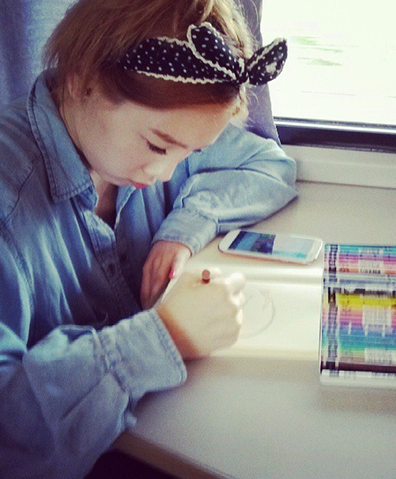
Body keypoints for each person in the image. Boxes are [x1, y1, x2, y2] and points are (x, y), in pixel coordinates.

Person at [0, 0, 297, 477]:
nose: (165, 173)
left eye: (191, 152)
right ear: (82, 79)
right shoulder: (9, 205)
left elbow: (270, 165)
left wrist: (182, 229)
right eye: (158, 146)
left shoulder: (159, 128)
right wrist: (163, 337)